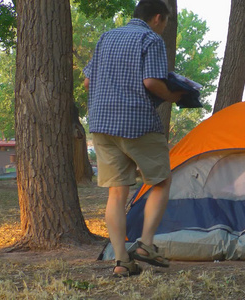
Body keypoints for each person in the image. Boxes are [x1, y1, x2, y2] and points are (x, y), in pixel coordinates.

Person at [83, 0, 184, 277]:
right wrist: (175, 95)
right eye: (165, 22)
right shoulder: (150, 38)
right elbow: (151, 82)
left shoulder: (106, 37)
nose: (164, 27)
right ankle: (146, 246)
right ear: (157, 18)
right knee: (161, 181)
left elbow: (88, 82)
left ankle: (121, 261)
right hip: (136, 122)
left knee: (116, 192)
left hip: (102, 124)